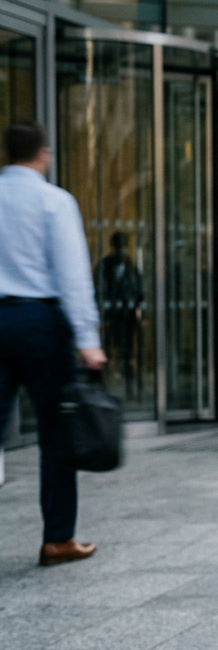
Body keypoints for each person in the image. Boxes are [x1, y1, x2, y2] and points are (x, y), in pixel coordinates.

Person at [0, 121, 106, 566]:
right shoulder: (54, 201)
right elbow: (72, 275)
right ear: (43, 154)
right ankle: (57, 539)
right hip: (42, 320)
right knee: (55, 432)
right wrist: (88, 340)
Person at [96, 231, 142, 397]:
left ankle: (127, 386)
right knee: (112, 349)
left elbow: (138, 289)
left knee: (124, 349)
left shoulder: (129, 264)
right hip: (114, 313)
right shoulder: (113, 264)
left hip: (124, 314)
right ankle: (109, 387)